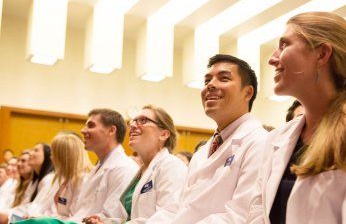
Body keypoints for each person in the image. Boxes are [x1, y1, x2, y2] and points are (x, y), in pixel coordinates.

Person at [246, 12, 346, 224]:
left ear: (322, 54)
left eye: (284, 45)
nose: (273, 59)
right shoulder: (277, 138)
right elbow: (257, 211)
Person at [148, 54, 268, 224]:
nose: (210, 85)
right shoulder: (202, 152)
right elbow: (176, 207)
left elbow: (240, 216)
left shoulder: (259, 142)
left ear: (247, 92)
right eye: (207, 81)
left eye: (224, 78)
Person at [84, 105, 187, 224]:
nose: (132, 125)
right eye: (133, 121)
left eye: (143, 120)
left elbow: (168, 217)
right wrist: (106, 222)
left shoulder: (172, 166)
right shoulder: (142, 171)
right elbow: (132, 218)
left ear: (163, 134)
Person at [64, 108, 139, 222]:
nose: (83, 130)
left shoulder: (125, 168)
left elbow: (112, 217)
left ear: (111, 130)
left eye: (91, 125)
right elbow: (81, 211)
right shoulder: (99, 167)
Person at [0, 143, 55, 223]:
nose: (30, 153)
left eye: (36, 150)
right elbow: (27, 206)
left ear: (47, 156)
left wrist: (8, 215)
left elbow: (41, 208)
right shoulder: (35, 181)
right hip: (28, 217)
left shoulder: (49, 179)